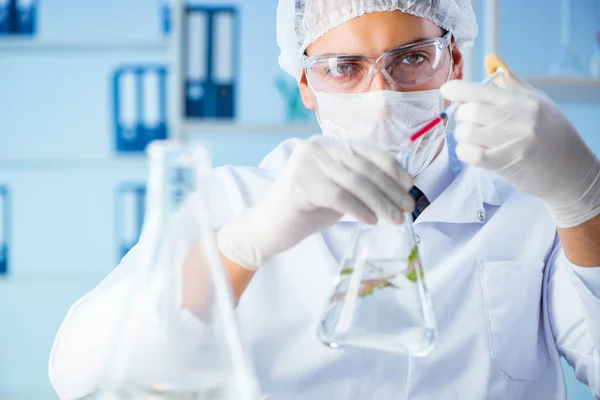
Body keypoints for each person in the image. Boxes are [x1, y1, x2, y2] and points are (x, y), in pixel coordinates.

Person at [49, 0, 600, 399]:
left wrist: (582, 199)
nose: (381, 95)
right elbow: (81, 376)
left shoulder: (533, 206)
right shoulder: (237, 202)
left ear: (454, 61)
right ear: (306, 85)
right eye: (343, 68)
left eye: (410, 58)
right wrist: (243, 246)